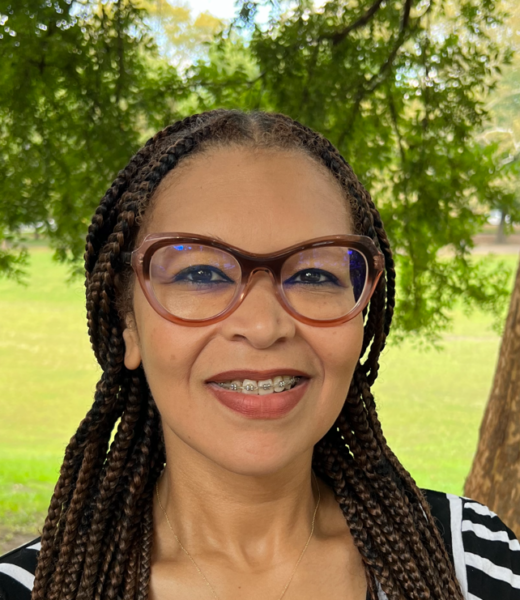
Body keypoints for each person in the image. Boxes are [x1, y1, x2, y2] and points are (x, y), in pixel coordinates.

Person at [0, 110, 518, 600]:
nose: (264, 326)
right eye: (200, 273)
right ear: (127, 323)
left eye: (314, 274)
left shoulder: (473, 563)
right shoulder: (32, 587)